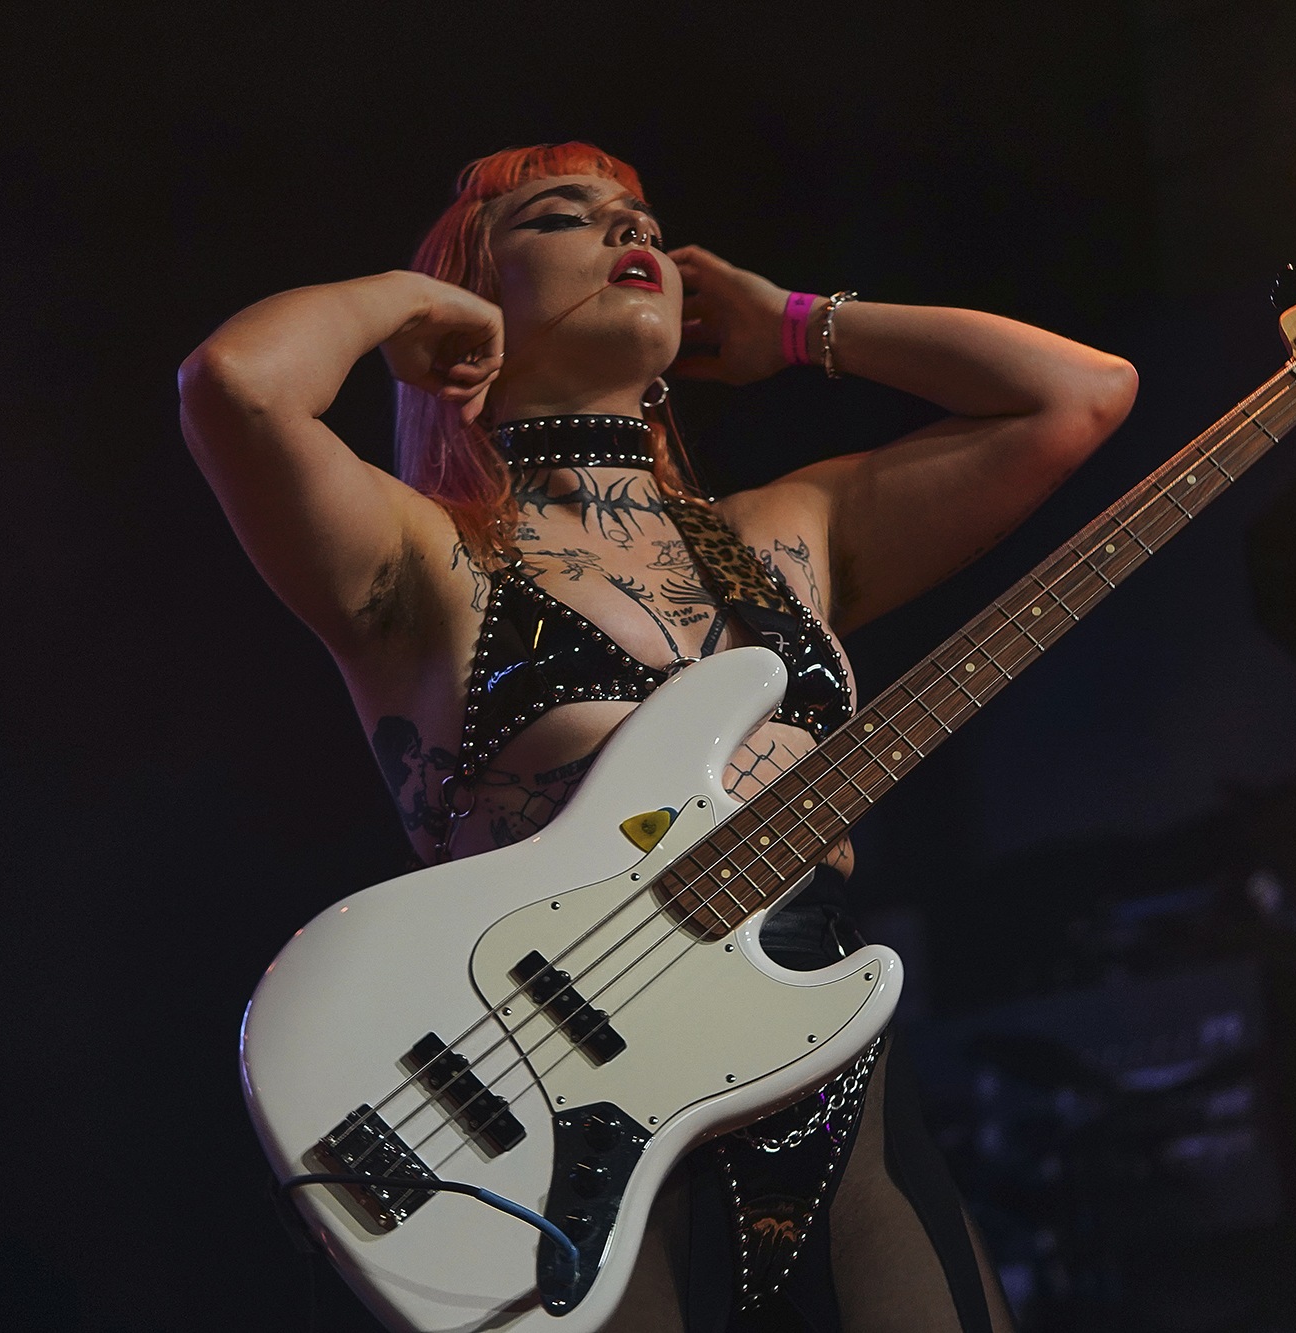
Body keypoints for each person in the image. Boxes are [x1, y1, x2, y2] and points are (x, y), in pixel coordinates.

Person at [180, 142, 1136, 1333]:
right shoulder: (425, 554)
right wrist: (407, 306)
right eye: (559, 218)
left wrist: (799, 325)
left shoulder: (784, 532)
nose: (626, 232)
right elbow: (236, 382)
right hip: (555, 1127)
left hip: (829, 1084)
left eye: (638, 218)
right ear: (477, 288)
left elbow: (1080, 393)